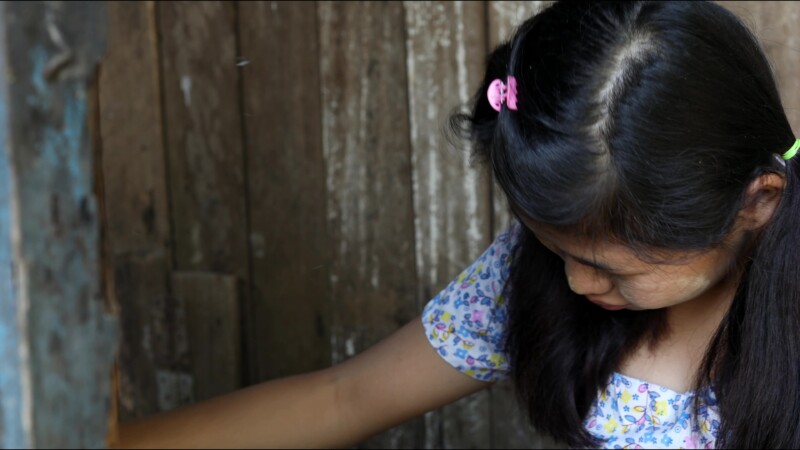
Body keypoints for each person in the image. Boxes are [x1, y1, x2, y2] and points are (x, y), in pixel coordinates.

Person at [116, 1, 800, 448]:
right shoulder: (534, 279)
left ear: (757, 203)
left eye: (617, 268)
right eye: (553, 245)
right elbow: (343, 398)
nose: (576, 280)